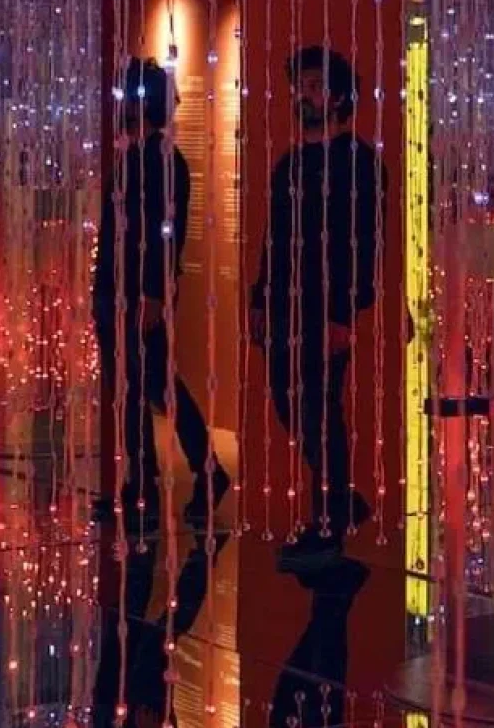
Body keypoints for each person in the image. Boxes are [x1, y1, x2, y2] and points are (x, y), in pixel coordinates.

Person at [249, 45, 386, 569]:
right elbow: (273, 237)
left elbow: (363, 241)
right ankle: (341, 500)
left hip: (325, 307)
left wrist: (344, 314)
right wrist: (261, 297)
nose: (302, 95)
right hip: (283, 303)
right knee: (289, 405)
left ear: (337, 95)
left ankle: (327, 521)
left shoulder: (359, 161)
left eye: (313, 86)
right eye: (299, 85)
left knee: (317, 408)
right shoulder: (289, 163)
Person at [94, 57, 228, 527]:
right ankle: (143, 482)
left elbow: (164, 230)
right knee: (134, 387)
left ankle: (202, 469)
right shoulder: (139, 155)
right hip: (117, 289)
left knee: (154, 383)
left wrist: (153, 290)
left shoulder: (164, 159)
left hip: (135, 292)